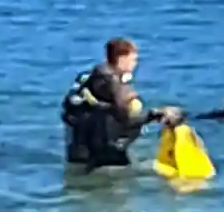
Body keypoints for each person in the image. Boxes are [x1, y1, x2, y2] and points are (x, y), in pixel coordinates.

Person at [62, 38, 180, 169]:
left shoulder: (90, 78)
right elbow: (125, 117)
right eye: (133, 59)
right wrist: (155, 115)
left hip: (78, 153)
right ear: (122, 58)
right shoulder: (111, 81)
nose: (135, 64)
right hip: (104, 157)